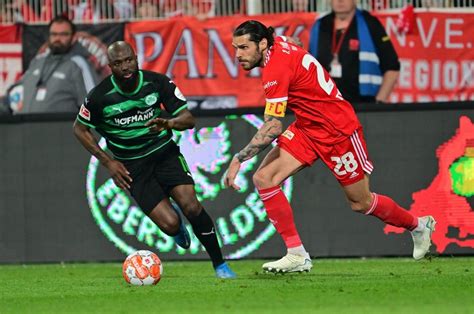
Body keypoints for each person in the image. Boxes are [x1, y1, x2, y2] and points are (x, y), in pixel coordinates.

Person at [224, 20, 435, 273]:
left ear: (262, 43)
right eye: (236, 48)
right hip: (307, 128)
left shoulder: (275, 69)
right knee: (264, 178)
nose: (238, 55)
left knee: (361, 202)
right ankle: (296, 254)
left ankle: (419, 226)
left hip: (338, 132)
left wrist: (238, 158)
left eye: (244, 48)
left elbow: (272, 128)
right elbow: (295, 42)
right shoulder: (277, 44)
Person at [73, 41, 236, 279]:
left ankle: (220, 264)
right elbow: (80, 129)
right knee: (169, 225)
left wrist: (168, 123)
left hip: (164, 153)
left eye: (129, 60)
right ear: (110, 67)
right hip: (132, 167)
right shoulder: (100, 97)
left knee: (190, 204)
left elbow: (188, 119)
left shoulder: (157, 82)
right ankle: (177, 227)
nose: (125, 67)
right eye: (118, 63)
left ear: (136, 58)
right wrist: (108, 161)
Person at [308, 0, 400, 104]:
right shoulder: (319, 25)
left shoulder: (370, 24)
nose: (339, 1)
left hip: (362, 106)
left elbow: (392, 67)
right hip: (325, 105)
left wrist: (379, 103)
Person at [5, 15, 99, 114]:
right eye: (54, 34)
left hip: (60, 128)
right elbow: (15, 90)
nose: (58, 39)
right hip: (26, 127)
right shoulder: (37, 62)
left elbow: (94, 103)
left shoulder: (78, 64)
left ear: (74, 37)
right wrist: (13, 100)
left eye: (63, 34)